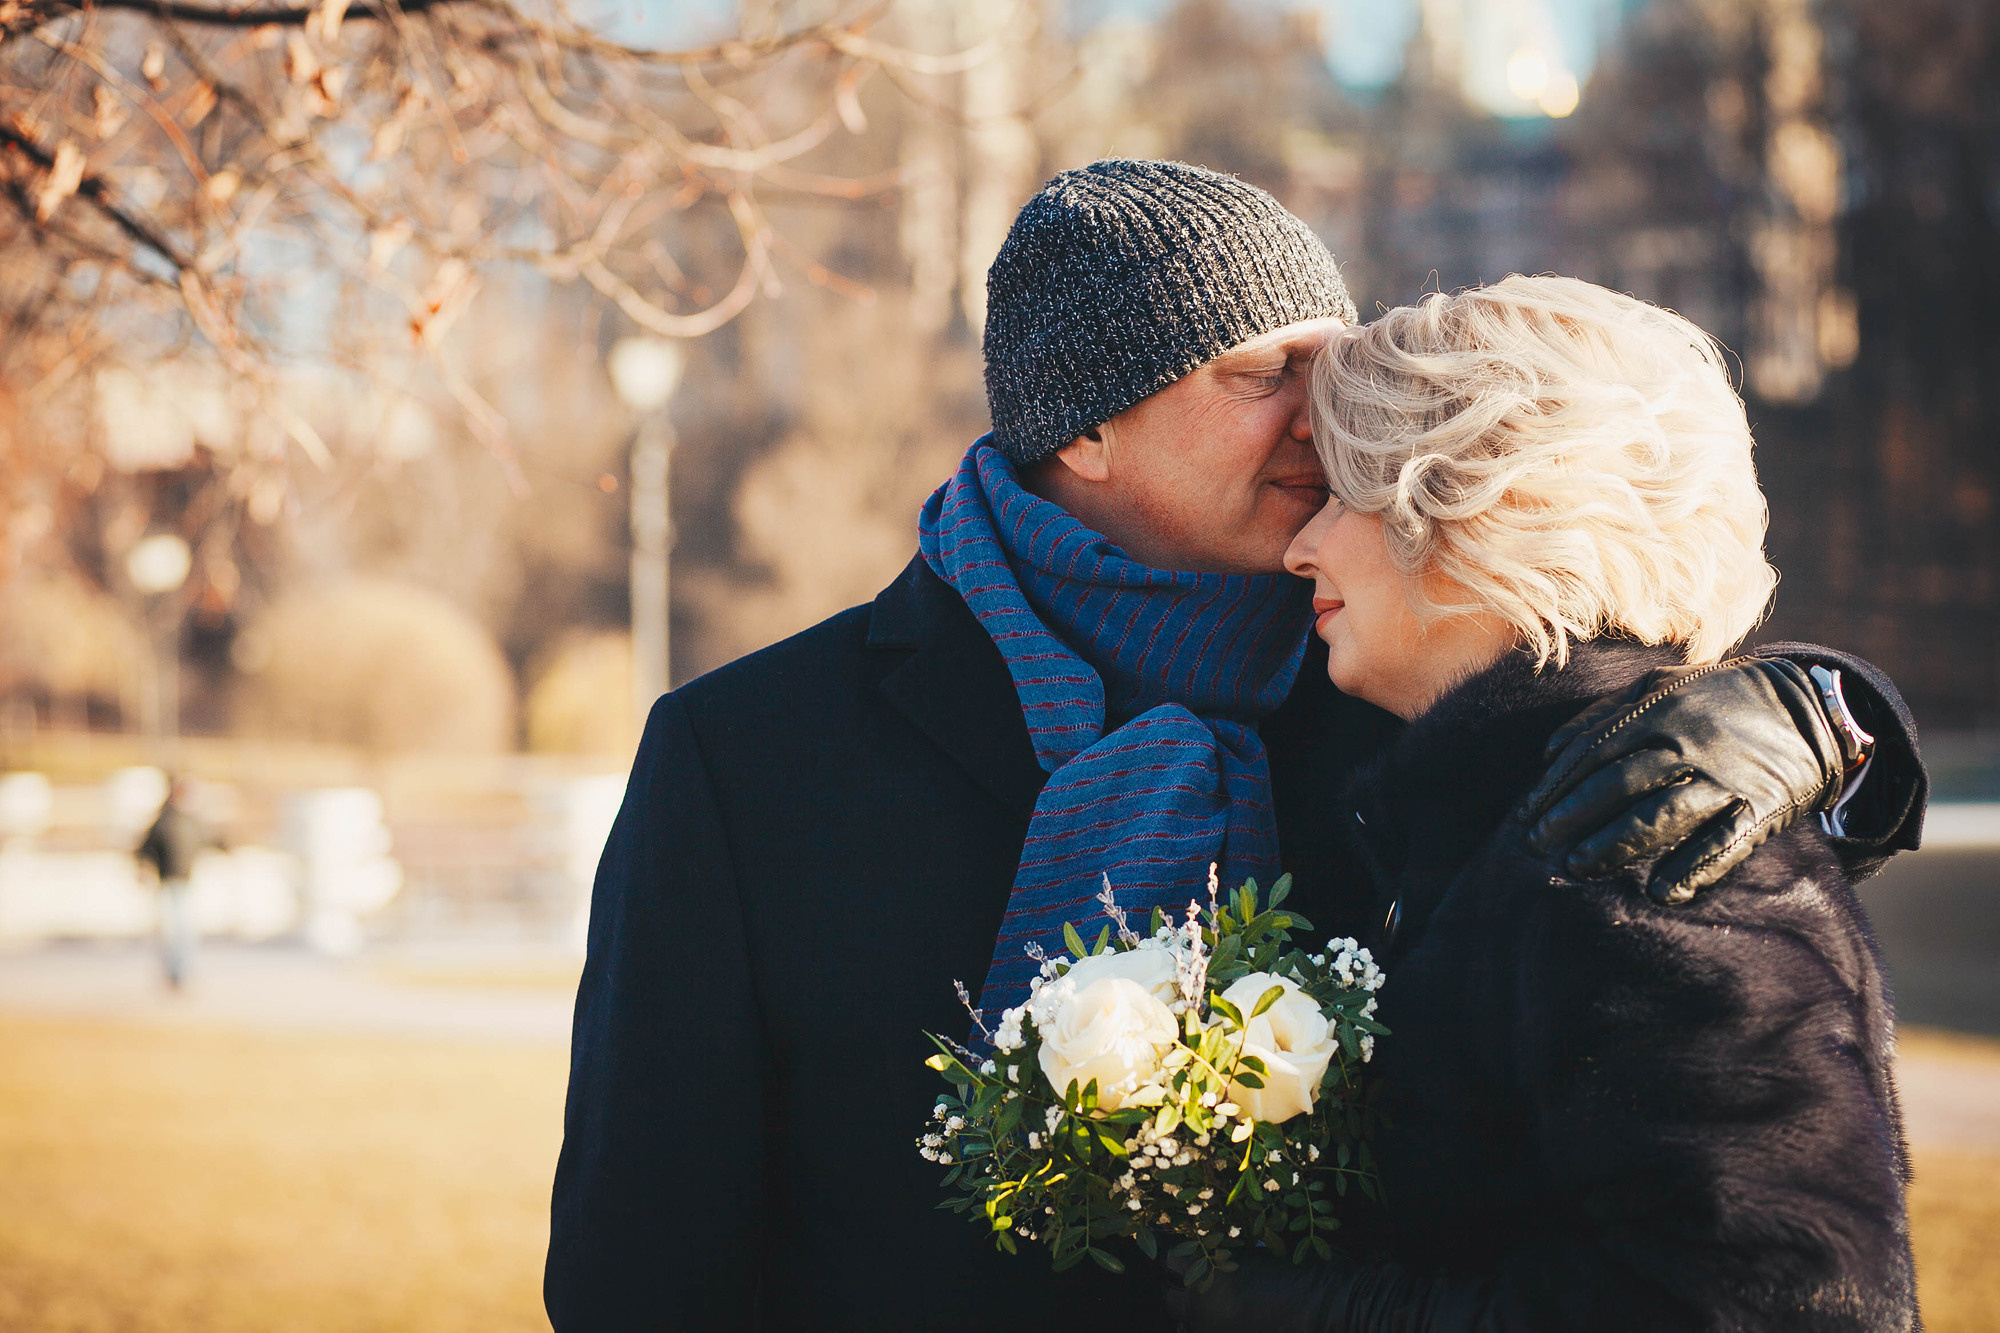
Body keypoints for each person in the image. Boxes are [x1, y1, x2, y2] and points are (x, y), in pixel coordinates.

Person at [545, 163, 1924, 1332]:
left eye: (1336, 367)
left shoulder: (1389, 670)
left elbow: (1602, 677)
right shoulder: (749, 757)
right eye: (1265, 373)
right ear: (1084, 424)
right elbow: (640, 1273)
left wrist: (1819, 715)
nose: (1323, 419)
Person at [1174, 276, 1919, 1331]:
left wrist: (1312, 1312)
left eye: (1342, 497)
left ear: (1483, 512)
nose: (1303, 547)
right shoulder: (1510, 804)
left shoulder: (1647, 840)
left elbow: (1765, 1303)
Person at [136, 776, 215, 989]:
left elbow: (209, 840)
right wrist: (143, 868)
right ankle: (173, 971)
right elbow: (146, 848)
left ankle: (183, 970)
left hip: (186, 882)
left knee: (185, 930)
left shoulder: (192, 820)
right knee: (171, 931)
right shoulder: (165, 820)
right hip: (168, 882)